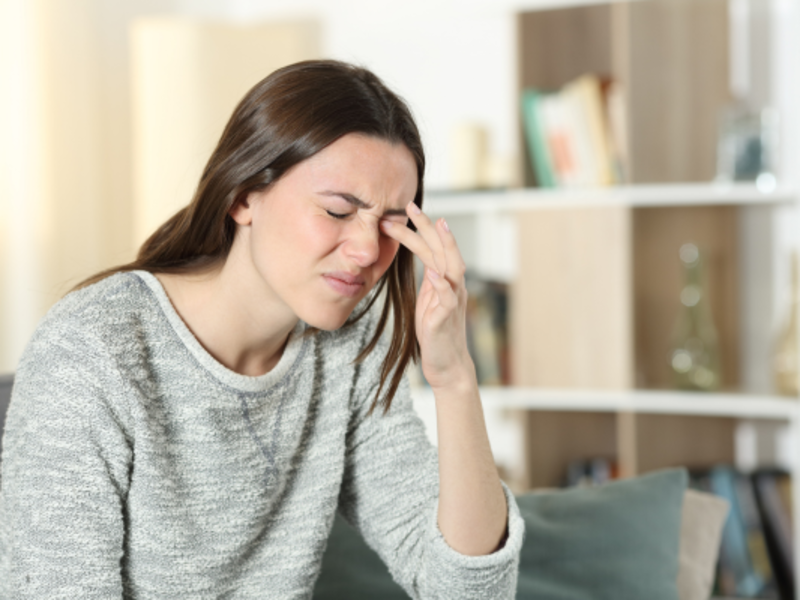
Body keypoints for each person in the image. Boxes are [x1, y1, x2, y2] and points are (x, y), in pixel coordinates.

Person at [0, 59, 523, 598]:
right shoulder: (91, 350)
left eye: (391, 223)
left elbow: (467, 592)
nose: (369, 251)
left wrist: (454, 376)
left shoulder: (352, 346)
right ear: (244, 196)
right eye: (339, 211)